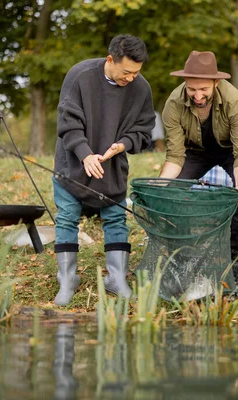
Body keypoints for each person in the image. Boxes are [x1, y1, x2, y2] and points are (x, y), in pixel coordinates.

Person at [53, 34, 155, 306]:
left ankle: (117, 279)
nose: (131, 78)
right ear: (110, 60)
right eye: (126, 72)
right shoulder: (79, 76)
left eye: (136, 72)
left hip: (113, 167)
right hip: (72, 163)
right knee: (66, 218)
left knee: (116, 219)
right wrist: (85, 155)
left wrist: (122, 145)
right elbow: (67, 122)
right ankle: (67, 278)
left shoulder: (141, 88)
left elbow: (143, 131)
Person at [159, 50, 238, 297]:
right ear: (184, 83)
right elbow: (175, 156)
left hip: (232, 151)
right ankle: (182, 260)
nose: (198, 96)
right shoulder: (172, 104)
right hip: (194, 152)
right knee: (172, 193)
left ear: (216, 82)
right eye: (192, 89)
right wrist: (159, 186)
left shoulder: (233, 100)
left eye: (203, 89)